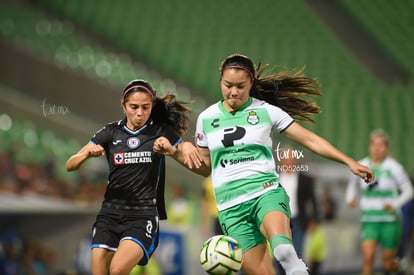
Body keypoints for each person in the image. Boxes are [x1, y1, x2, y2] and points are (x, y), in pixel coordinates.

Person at [154, 54, 374, 275]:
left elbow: (309, 139)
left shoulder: (266, 111)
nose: (233, 92)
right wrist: (174, 153)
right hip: (230, 208)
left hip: (265, 193)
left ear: (251, 82)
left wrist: (348, 161)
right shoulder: (207, 118)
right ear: (220, 81)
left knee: (284, 252)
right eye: (228, 85)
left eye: (240, 86)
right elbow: (205, 168)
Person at [65, 79, 196, 275]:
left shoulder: (160, 131)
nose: (140, 113)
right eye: (134, 107)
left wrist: (185, 147)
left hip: (142, 215)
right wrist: (86, 154)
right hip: (109, 213)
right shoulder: (110, 132)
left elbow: (182, 147)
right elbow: (70, 165)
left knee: (117, 270)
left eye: (145, 107)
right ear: (123, 105)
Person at [346, 129, 413, 275]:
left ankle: (401, 268)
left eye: (381, 145)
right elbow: (352, 184)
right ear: (369, 146)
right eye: (374, 144)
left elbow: (409, 191)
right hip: (369, 220)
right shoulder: (361, 165)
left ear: (386, 147)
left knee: (388, 264)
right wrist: (350, 198)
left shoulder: (394, 167)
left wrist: (395, 204)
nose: (377, 148)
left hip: (389, 220)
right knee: (368, 257)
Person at [274, 147, 319, 275]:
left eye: (291, 157)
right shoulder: (275, 178)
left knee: (296, 254)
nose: (288, 161)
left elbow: (312, 199)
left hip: (298, 221)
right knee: (280, 255)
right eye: (286, 158)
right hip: (279, 222)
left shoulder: (304, 178)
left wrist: (314, 219)